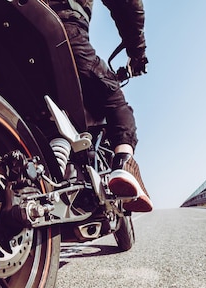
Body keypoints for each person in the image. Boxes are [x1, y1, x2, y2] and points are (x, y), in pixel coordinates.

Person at [47, 0, 153, 212]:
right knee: (116, 102)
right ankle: (124, 163)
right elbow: (129, 6)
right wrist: (137, 54)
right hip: (61, 34)